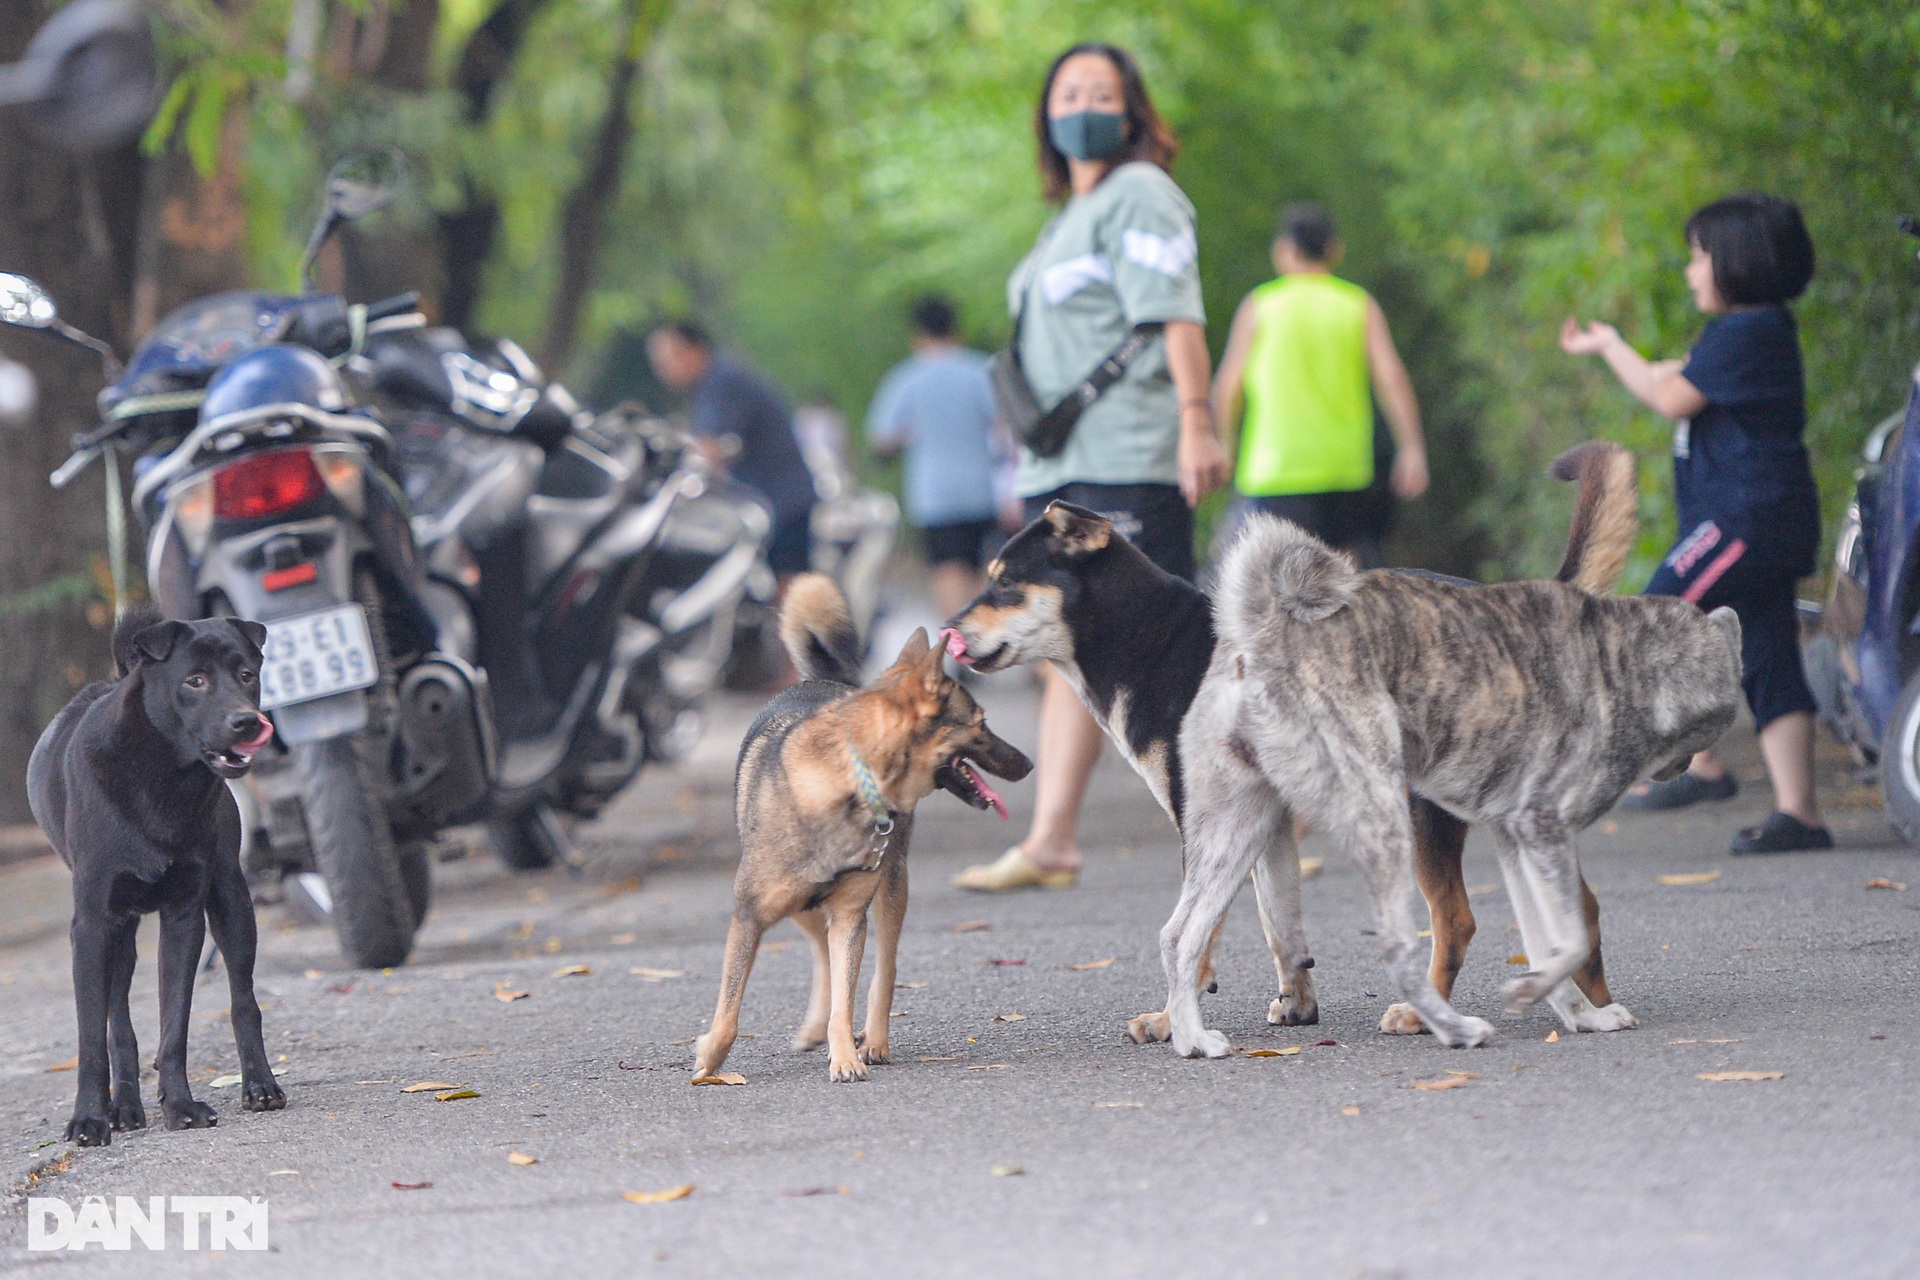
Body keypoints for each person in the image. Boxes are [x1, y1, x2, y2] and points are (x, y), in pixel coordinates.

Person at [953, 42, 1229, 892]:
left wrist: (1196, 419)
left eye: (1101, 93)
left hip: (1127, 456)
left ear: (1132, 111)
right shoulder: (1065, 219)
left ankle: (1255, 818)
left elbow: (1176, 315)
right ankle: (1052, 842)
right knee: (1069, 652)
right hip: (1060, 464)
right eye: (1068, 93)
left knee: (1176, 652)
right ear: (1046, 114)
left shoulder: (1141, 192)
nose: (1083, 106)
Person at [1561, 192, 1829, 854]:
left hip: (1744, 521)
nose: (1689, 272)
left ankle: (1598, 765)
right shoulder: (1752, 332)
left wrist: (1615, 347)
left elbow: (1669, 395)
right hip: (1763, 521)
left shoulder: (1747, 332)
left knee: (1650, 620)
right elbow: (1670, 379)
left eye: (1698, 257)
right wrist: (1614, 348)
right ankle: (1797, 813)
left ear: (1738, 260)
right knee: (1767, 655)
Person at [1211, 202, 1428, 567]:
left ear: (1283, 250)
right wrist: (1411, 449)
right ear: (1334, 250)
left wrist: (1225, 446)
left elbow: (1228, 385)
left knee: (1278, 587)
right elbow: (1391, 377)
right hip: (1345, 471)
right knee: (1345, 584)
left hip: (1276, 472)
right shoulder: (1357, 304)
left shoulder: (1260, 305)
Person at [867, 295, 1003, 620]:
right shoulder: (981, 370)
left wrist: (908, 435)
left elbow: (881, 440)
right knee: (986, 566)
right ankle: (985, 631)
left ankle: (959, 640)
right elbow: (1005, 425)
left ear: (917, 334)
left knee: (947, 568)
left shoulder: (905, 378)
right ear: (957, 329)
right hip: (984, 489)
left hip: (934, 495)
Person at [645, 321, 816, 579]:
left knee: (788, 587)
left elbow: (711, 449)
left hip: (778, 501)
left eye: (670, 359)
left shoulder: (721, 383)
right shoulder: (713, 383)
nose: (664, 371)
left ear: (695, 349)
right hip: (771, 500)